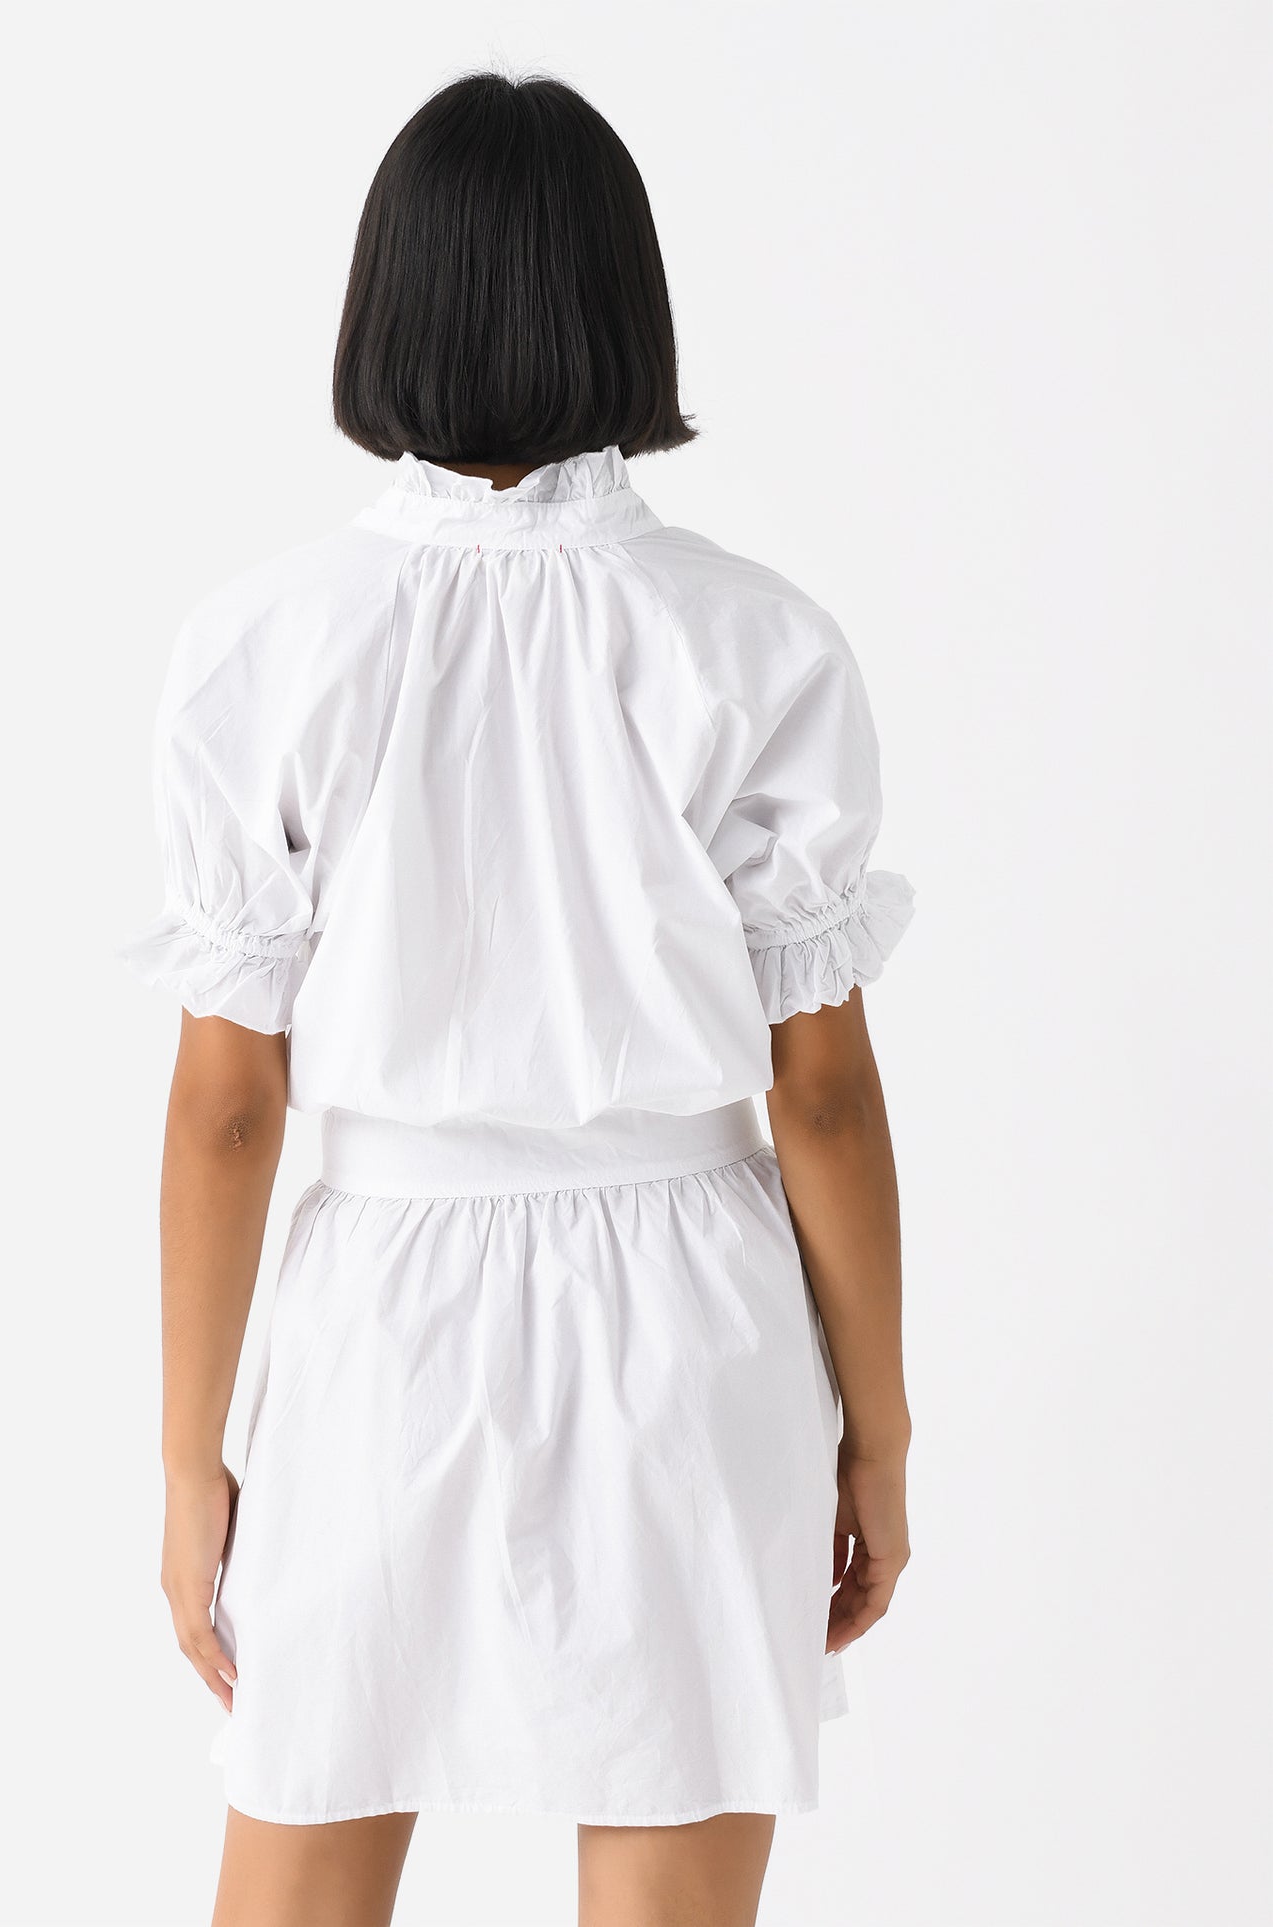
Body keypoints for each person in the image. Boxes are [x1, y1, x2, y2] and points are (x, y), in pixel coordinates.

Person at [120, 68, 916, 1927]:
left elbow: (229, 1108)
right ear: (626, 305)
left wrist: (187, 1461)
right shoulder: (754, 638)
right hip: (691, 1309)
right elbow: (819, 1096)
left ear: (381, 304)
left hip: (377, 1313)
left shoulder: (262, 644)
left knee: (297, 1876)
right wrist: (878, 1431)